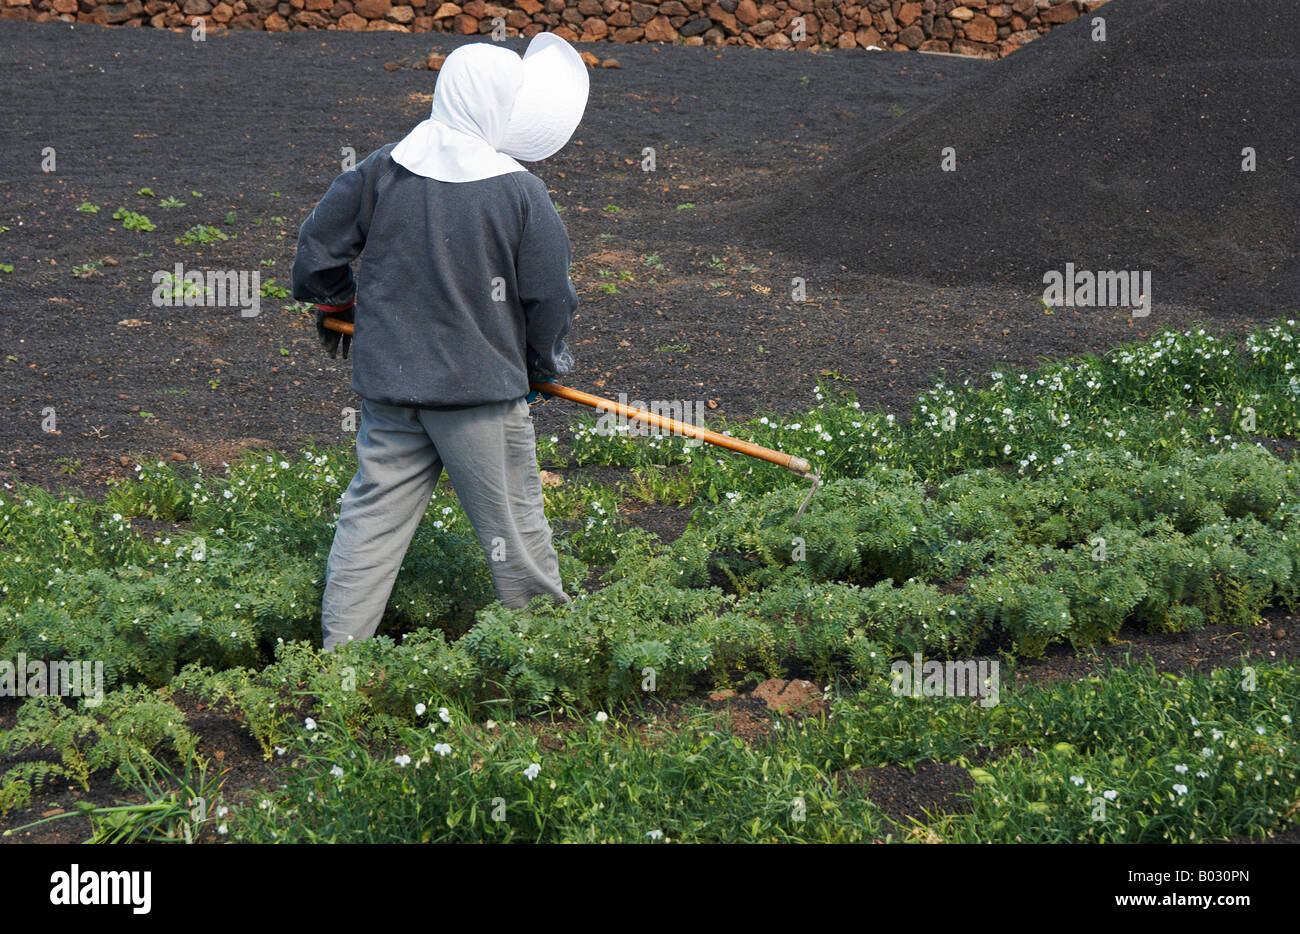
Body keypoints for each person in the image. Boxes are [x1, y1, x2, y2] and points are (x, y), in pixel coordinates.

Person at [290, 34, 589, 651]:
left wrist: (338, 303)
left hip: (391, 390)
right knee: (514, 527)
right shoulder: (521, 194)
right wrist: (542, 367)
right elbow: (549, 299)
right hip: (480, 395)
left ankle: (335, 660)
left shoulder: (382, 169)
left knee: (371, 520)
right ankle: (548, 654)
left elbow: (317, 253)